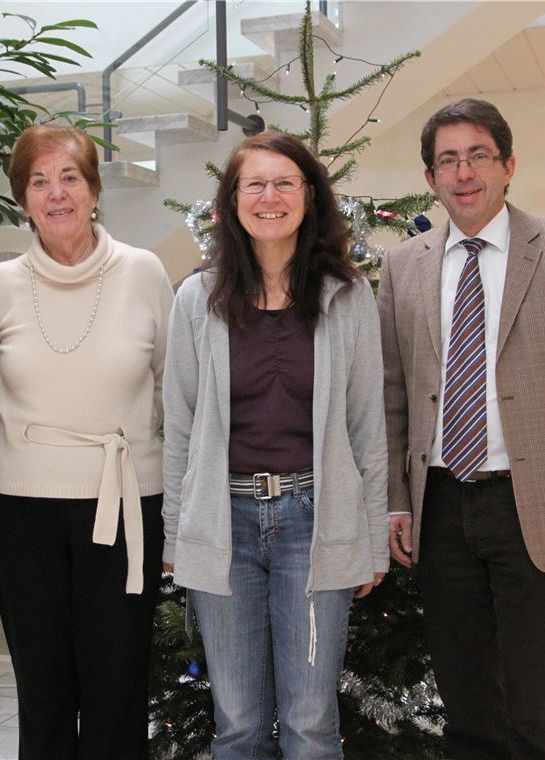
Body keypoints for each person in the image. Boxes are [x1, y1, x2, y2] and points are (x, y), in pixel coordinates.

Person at [378, 98, 545, 760]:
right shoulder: (402, 266)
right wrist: (396, 501)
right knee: (468, 704)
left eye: (479, 156)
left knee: (542, 707)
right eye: (448, 160)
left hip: (535, 504)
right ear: (431, 177)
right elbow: (392, 394)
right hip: (439, 504)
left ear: (508, 165)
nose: (464, 173)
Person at [162, 131, 388, 760]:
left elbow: (368, 425)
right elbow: (178, 426)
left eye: (285, 182)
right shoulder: (196, 300)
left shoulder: (347, 296)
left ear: (309, 196)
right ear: (231, 202)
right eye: (254, 184)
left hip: (314, 523)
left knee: (312, 721)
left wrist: (370, 535)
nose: (269, 196)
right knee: (236, 722)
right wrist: (176, 534)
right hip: (221, 524)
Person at [0, 124, 172, 759]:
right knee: (43, 684)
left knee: (117, 684)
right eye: (39, 181)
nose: (56, 195)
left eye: (70, 178)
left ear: (95, 189)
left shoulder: (144, 272)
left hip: (126, 501)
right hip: (23, 505)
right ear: (23, 199)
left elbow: (170, 384)